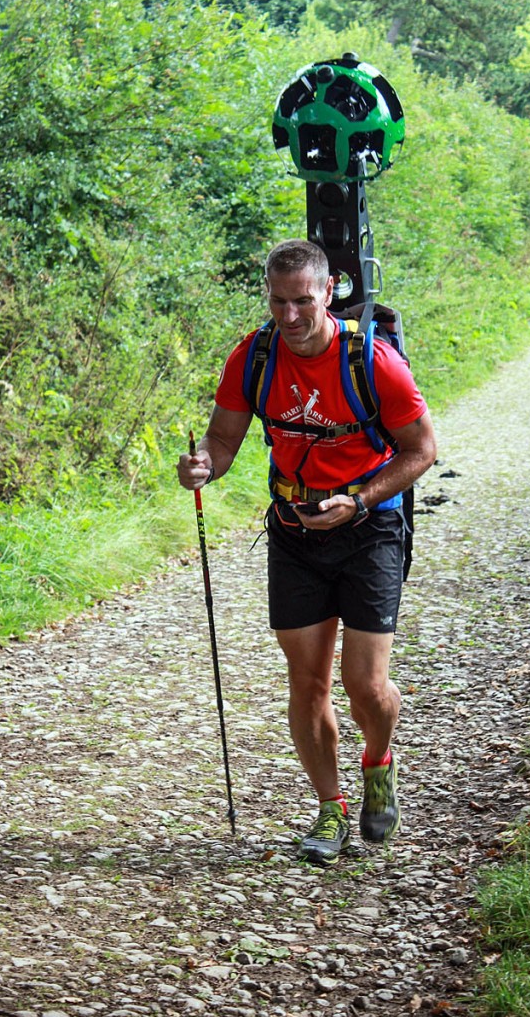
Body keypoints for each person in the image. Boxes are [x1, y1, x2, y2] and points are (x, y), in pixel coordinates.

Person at [177, 239, 436, 866]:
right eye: (277, 301)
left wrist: (362, 499)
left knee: (366, 685)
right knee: (308, 680)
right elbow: (223, 436)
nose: (288, 316)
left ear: (327, 293)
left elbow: (421, 450)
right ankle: (331, 807)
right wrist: (203, 467)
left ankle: (378, 762)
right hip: (293, 527)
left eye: (301, 301)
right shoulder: (254, 355)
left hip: (368, 526)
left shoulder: (372, 363)